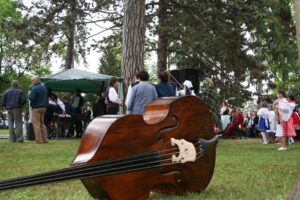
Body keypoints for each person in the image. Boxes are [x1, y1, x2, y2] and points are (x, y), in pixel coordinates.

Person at [28, 76, 49, 144]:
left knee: (36, 124)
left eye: (32, 80)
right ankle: (45, 139)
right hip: (43, 107)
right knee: (42, 124)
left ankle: (39, 140)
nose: (32, 81)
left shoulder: (34, 88)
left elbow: (31, 98)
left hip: (36, 108)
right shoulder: (44, 88)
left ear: (36, 81)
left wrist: (28, 96)